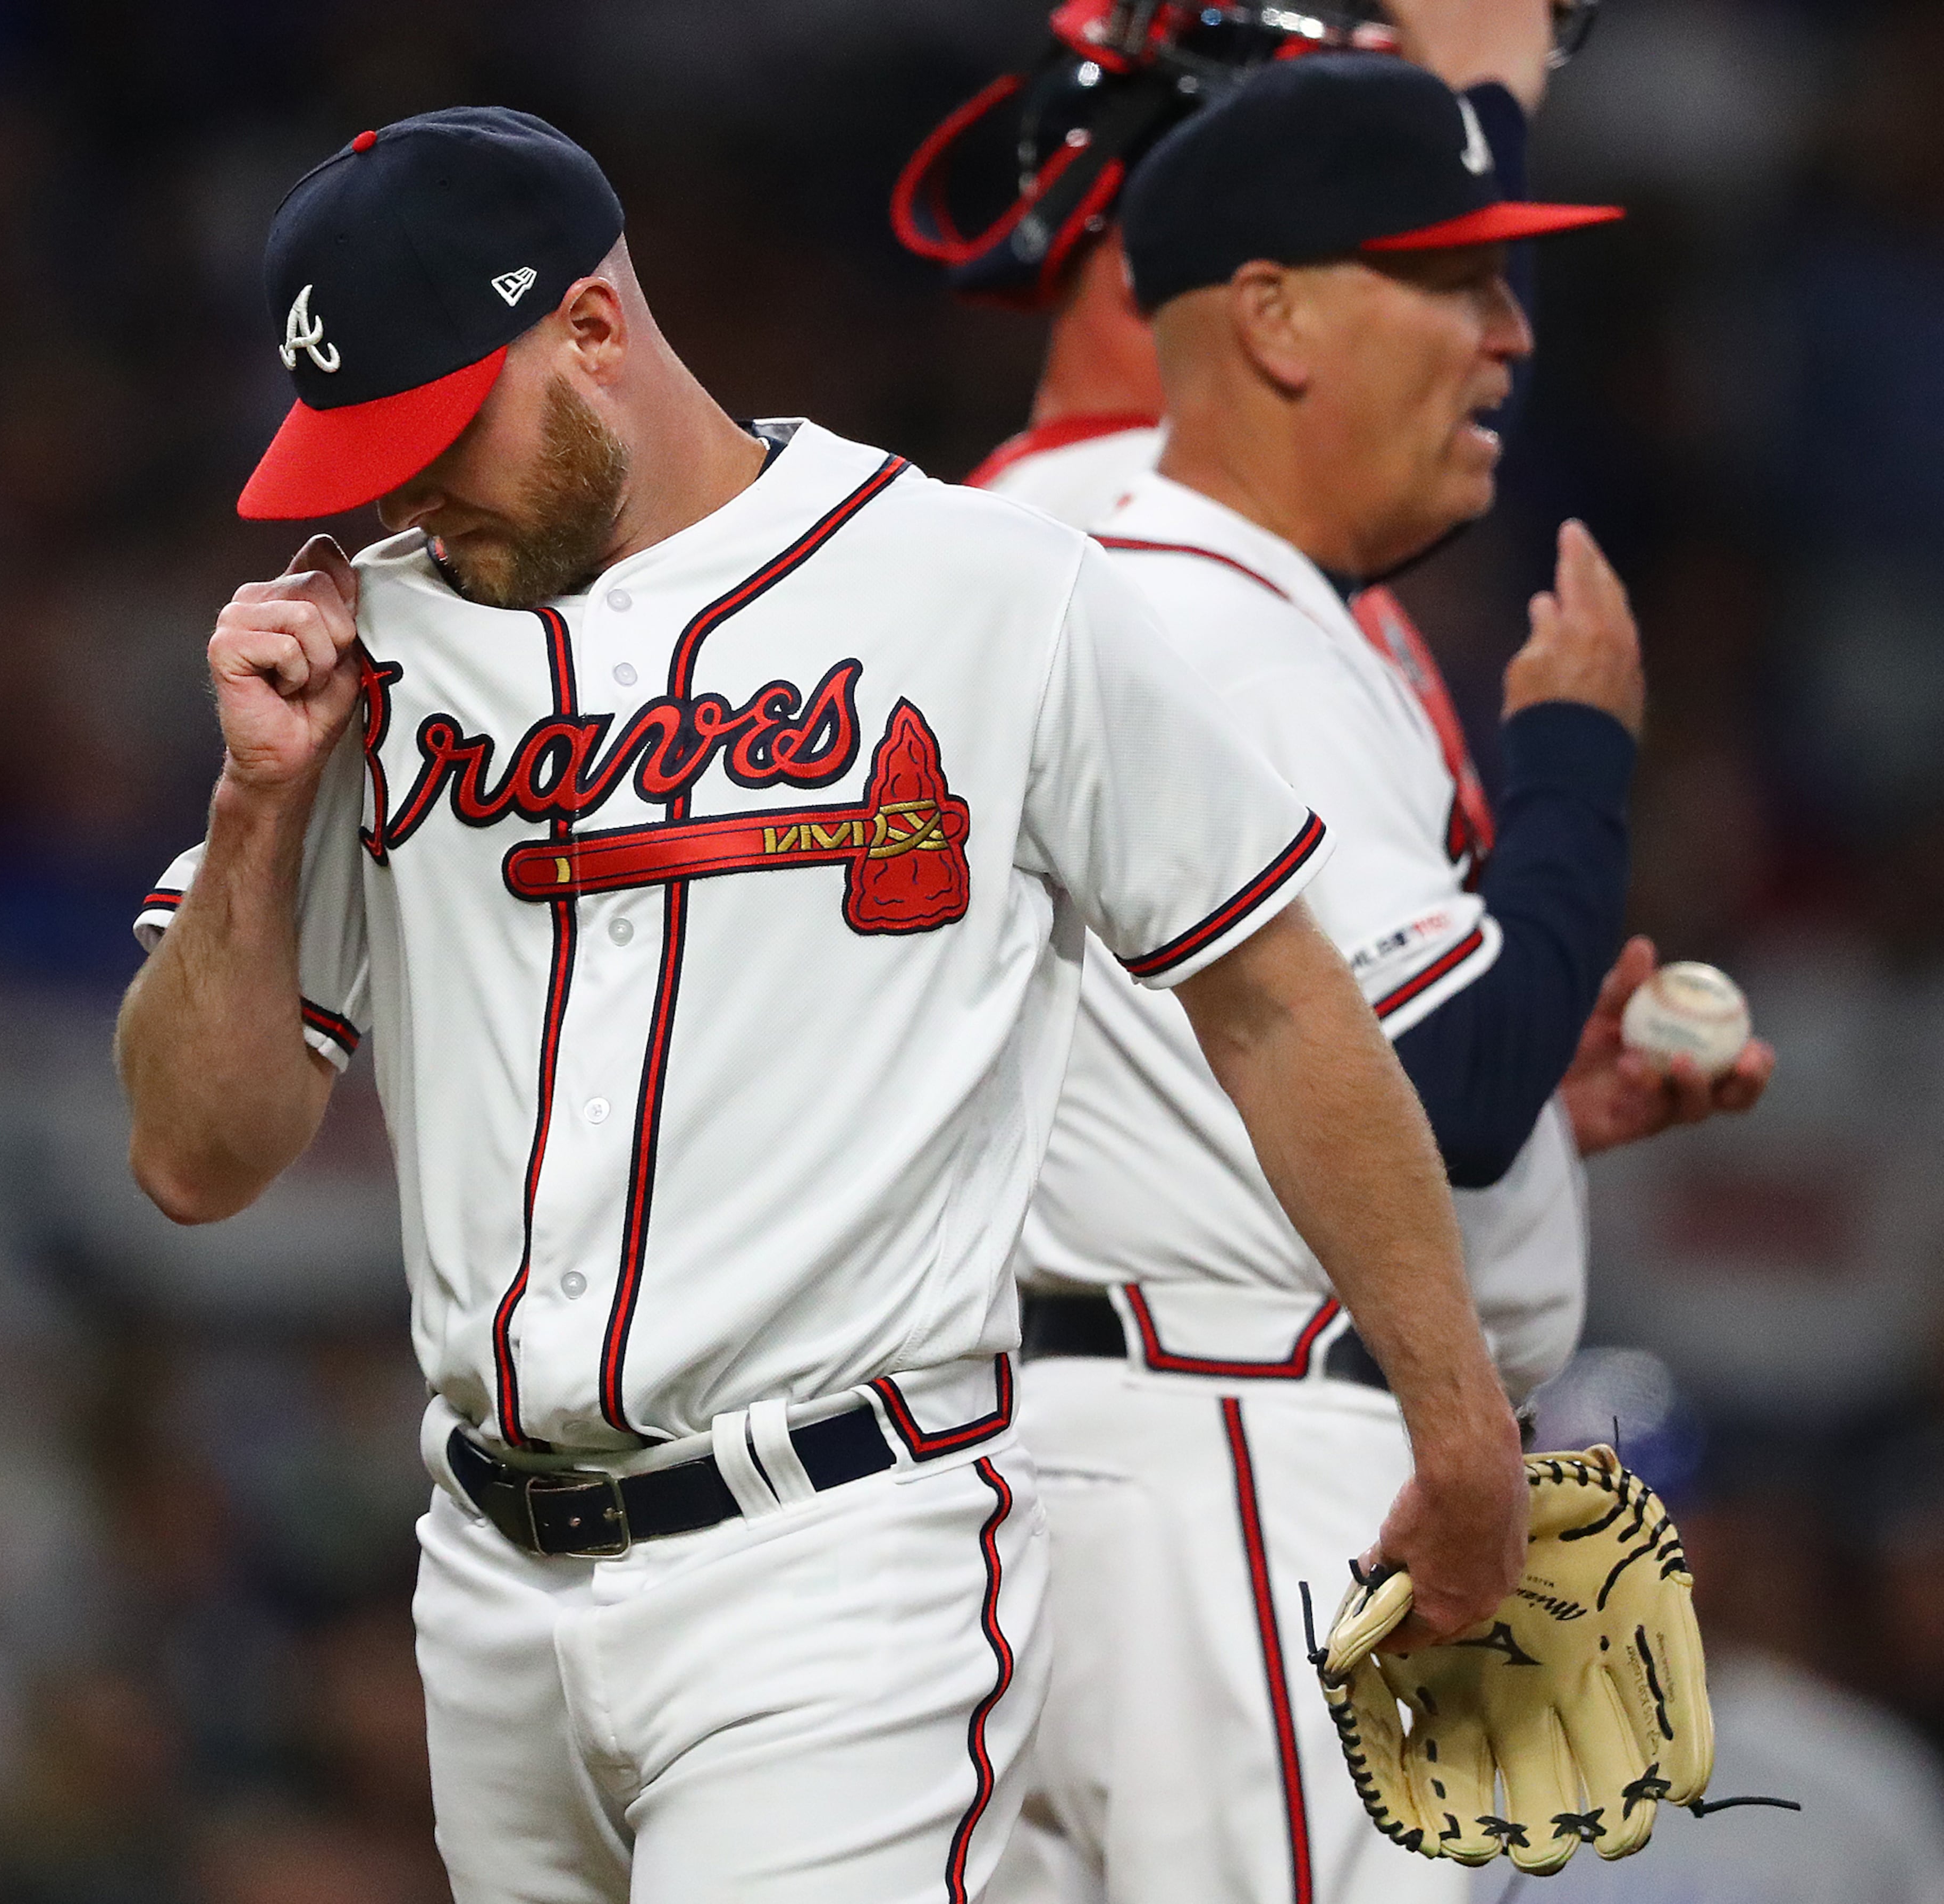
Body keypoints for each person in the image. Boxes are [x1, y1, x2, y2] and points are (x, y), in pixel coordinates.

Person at [113, 107, 1528, 1904]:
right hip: (488, 1583)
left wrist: (1458, 1417)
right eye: (364, 453)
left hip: (839, 1560)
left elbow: (1273, 1000)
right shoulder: (364, 654)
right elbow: (194, 1157)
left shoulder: (983, 593)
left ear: (595, 333)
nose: (405, 497)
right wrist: (256, 808)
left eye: (435, 432)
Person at [972, 52, 1775, 1904]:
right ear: (1272, 317)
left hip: (1161, 1447)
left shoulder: (1186, 602)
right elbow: (1452, 1085)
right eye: (1454, 281)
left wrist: (1556, 1118)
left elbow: (1354, 1084)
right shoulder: (1212, 628)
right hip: (1241, 1457)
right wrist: (1576, 765)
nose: (1508, 338)